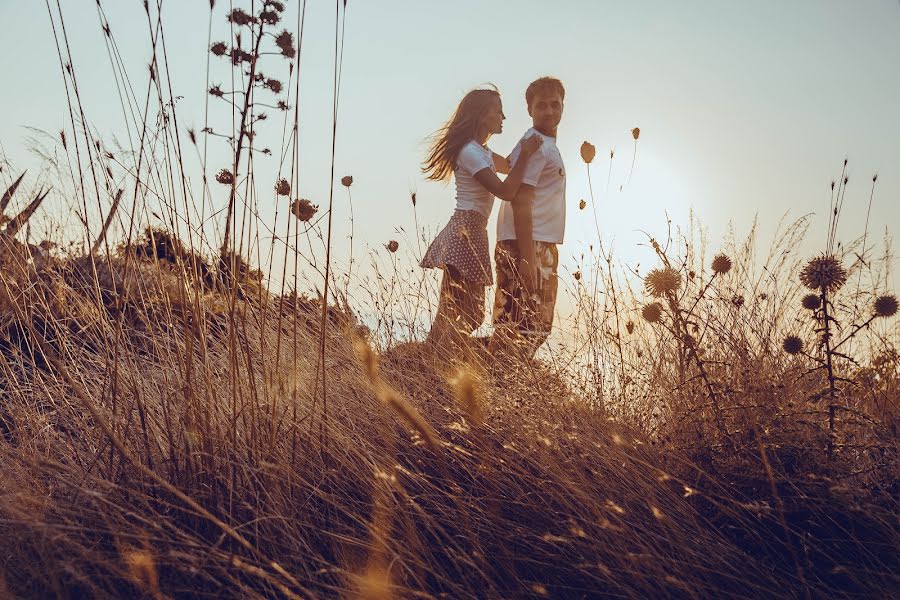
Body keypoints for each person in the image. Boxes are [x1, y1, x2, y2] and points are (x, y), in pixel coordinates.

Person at [420, 86, 543, 356]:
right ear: (481, 116)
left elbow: (510, 166)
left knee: (458, 311)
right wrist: (525, 153)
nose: (504, 117)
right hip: (466, 229)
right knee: (464, 313)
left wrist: (530, 142)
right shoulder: (469, 152)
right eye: (498, 111)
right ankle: (435, 365)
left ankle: (431, 363)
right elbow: (506, 191)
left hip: (472, 230)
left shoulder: (482, 151)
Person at [491, 76, 566, 359]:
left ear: (563, 106)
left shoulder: (540, 144)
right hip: (528, 244)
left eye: (555, 105)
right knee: (524, 328)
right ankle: (496, 383)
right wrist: (527, 257)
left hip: (536, 243)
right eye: (541, 106)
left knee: (526, 327)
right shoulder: (537, 146)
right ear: (529, 109)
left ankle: (499, 382)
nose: (549, 111)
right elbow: (521, 200)